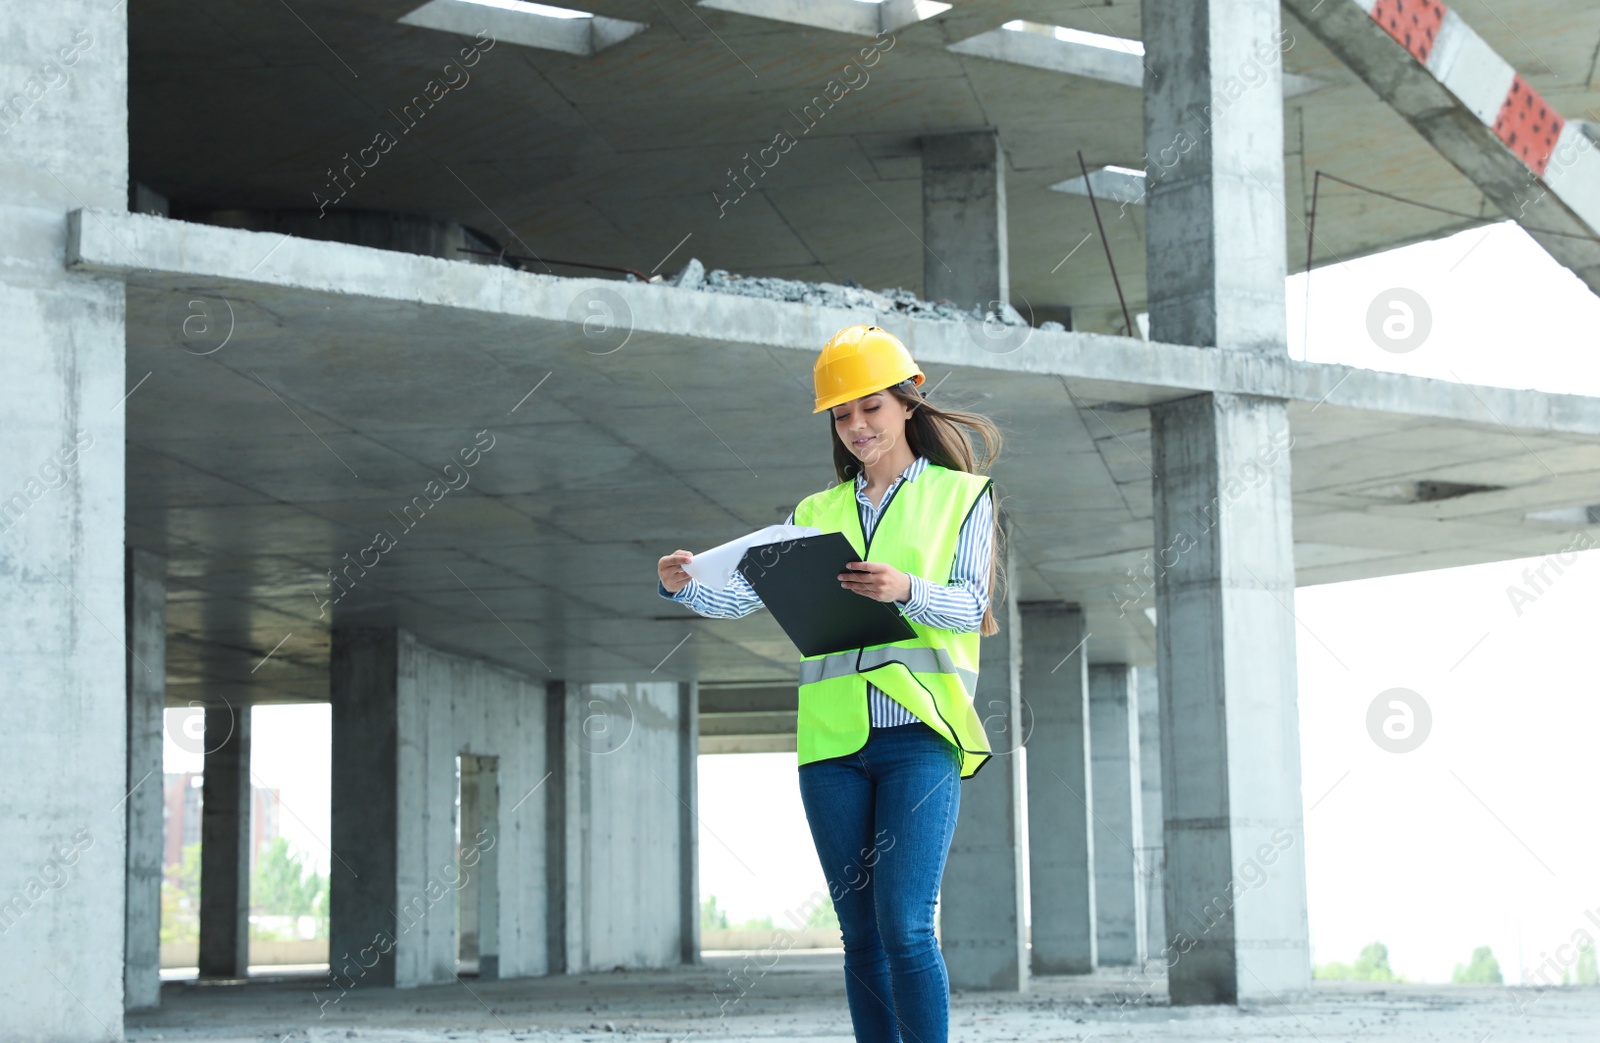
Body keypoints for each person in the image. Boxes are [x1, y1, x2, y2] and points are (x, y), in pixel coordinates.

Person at [655, 323, 1004, 1043]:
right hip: (831, 745)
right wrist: (685, 585)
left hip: (920, 735)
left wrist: (905, 586)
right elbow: (746, 595)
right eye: (841, 414)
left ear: (909, 402)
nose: (855, 426)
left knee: (905, 925)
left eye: (869, 407)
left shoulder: (964, 497)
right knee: (861, 935)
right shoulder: (815, 514)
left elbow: (972, 604)